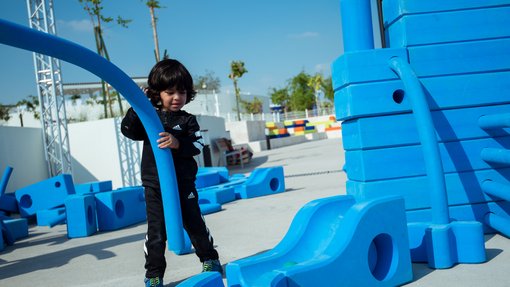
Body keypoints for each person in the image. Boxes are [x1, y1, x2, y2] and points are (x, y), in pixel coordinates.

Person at [121, 59, 222, 287]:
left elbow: (198, 144)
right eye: (170, 92)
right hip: (155, 186)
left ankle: (209, 259)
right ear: (157, 93)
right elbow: (128, 130)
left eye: (182, 92)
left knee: (194, 223)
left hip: (183, 184)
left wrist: (178, 143)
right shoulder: (149, 117)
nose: (177, 97)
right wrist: (138, 105)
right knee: (156, 232)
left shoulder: (187, 120)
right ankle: (154, 274)